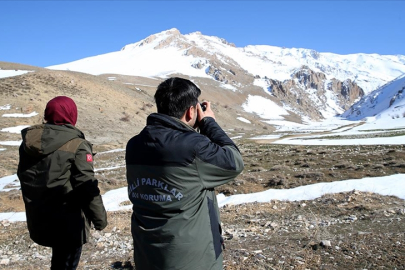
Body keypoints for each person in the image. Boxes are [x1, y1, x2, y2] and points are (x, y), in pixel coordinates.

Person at [126, 77, 244, 270]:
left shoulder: (134, 144)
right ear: (191, 111)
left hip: (147, 253)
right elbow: (234, 162)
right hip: (193, 259)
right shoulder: (194, 146)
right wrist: (208, 123)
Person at [17, 96, 108, 270]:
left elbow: (24, 176)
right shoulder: (77, 145)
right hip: (68, 222)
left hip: (38, 217)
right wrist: (100, 219)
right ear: (71, 115)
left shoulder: (28, 143)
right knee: (66, 264)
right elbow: (86, 185)